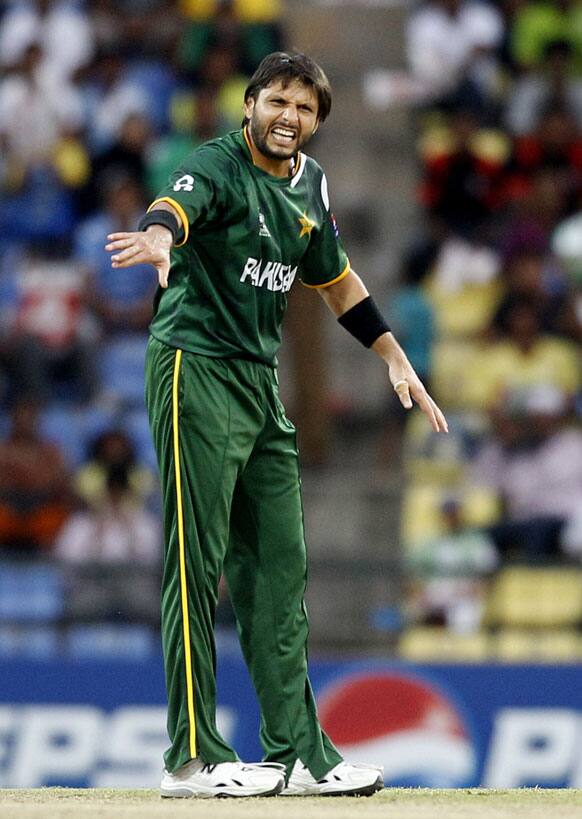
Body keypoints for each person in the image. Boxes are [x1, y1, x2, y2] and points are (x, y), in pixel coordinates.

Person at [105, 51, 448, 799]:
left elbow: (336, 277)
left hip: (259, 383)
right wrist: (161, 234)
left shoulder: (312, 184)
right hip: (192, 367)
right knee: (196, 563)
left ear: (316, 122)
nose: (289, 117)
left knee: (280, 570)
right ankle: (191, 758)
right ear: (251, 104)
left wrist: (393, 355)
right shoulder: (216, 163)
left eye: (305, 108)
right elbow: (175, 207)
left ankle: (299, 755)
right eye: (278, 101)